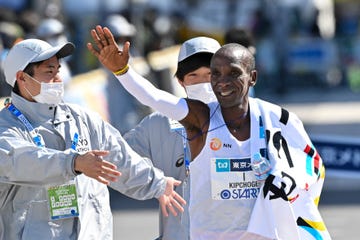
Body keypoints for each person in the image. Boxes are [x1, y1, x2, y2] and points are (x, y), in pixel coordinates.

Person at [88, 26, 331, 240]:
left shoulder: (276, 119)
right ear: (181, 81)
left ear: (252, 77)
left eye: (231, 73)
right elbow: (151, 100)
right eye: (208, 74)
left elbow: (311, 166)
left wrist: (284, 190)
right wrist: (123, 72)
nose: (218, 82)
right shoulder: (191, 119)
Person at [0, 38, 185, 239]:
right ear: (22, 78)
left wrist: (157, 183)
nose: (58, 79)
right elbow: (19, 160)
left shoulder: (81, 118)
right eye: (48, 72)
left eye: (58, 71)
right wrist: (74, 163)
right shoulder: (6, 126)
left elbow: (119, 157)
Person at [123, 36, 220, 239]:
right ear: (181, 81)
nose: (203, 83)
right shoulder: (158, 123)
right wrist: (153, 181)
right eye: (194, 75)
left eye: (210, 74)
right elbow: (118, 159)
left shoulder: (245, 123)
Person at [103, 14, 151, 133]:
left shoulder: (108, 58)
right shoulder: (121, 57)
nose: (122, 42)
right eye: (119, 39)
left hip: (127, 117)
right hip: (129, 118)